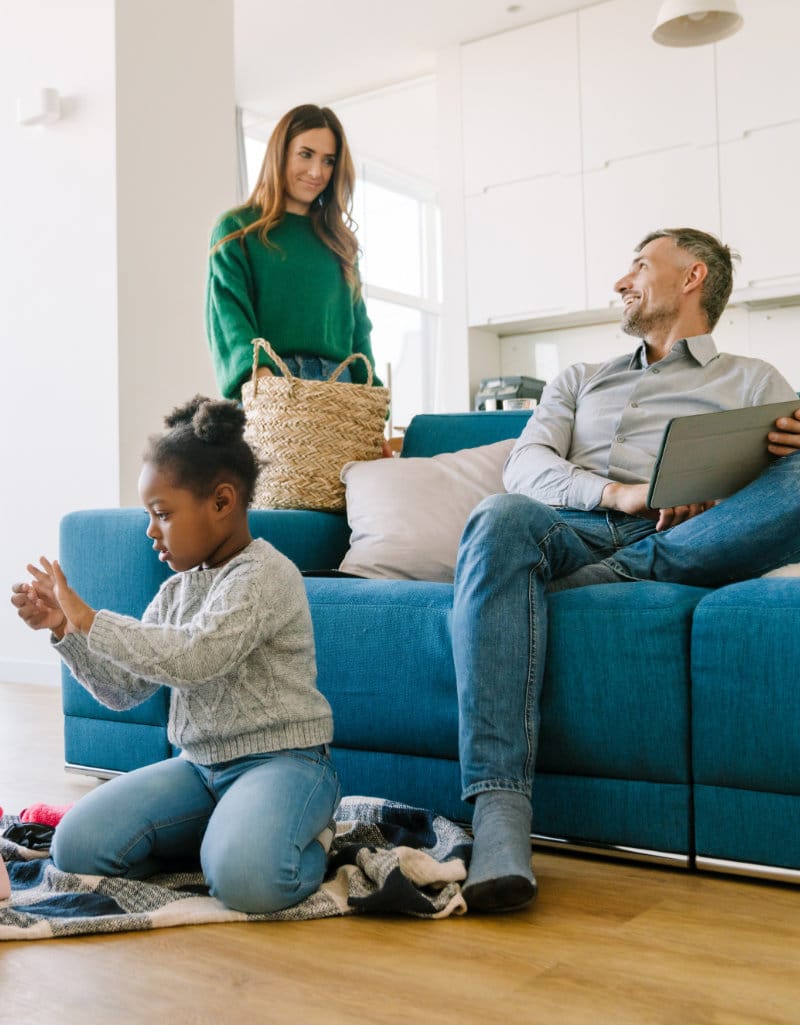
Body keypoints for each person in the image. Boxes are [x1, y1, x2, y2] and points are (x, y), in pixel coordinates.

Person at [454, 228, 800, 914]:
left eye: (640, 264)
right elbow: (525, 467)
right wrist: (622, 494)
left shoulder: (754, 379)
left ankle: (637, 566)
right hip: (575, 531)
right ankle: (498, 813)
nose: (621, 280)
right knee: (499, 516)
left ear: (693, 276)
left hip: (694, 539)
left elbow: (773, 496)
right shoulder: (579, 378)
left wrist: (751, 475)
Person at [10, 397, 340, 914]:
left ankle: (306, 840)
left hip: (284, 764)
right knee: (74, 847)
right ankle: (225, 835)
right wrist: (64, 631)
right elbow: (127, 691)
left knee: (247, 881)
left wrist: (92, 619)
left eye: (162, 514)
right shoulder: (175, 591)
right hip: (198, 770)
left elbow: (193, 657)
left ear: (223, 502)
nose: (150, 531)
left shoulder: (266, 576)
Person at [206, 103, 383, 402]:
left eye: (328, 161)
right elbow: (228, 317)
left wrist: (373, 407)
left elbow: (358, 333)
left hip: (340, 393)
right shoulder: (236, 230)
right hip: (269, 387)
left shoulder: (340, 242)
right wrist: (263, 383)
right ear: (280, 152)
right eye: (306, 154)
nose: (317, 172)